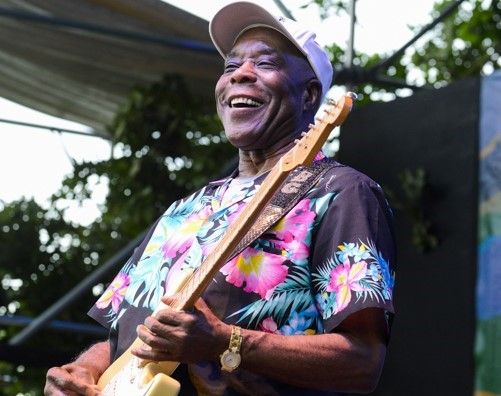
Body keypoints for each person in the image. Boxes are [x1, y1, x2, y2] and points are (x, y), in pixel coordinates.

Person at [45, 1, 396, 395]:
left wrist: (226, 342)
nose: (240, 75)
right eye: (230, 67)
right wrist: (82, 370)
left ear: (310, 96)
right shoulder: (184, 211)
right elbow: (123, 335)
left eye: (265, 64)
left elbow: (364, 362)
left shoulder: (341, 193)